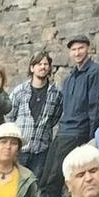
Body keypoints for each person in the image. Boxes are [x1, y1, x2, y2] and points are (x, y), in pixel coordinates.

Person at [47, 37, 99, 197]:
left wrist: (92, 137)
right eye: (73, 50)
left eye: (80, 48)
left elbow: (95, 106)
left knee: (58, 177)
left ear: (88, 49)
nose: (77, 52)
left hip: (79, 132)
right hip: (63, 131)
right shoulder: (70, 78)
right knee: (48, 177)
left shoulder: (96, 72)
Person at [11, 51, 62, 181]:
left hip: (41, 150)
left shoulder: (55, 94)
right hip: (20, 149)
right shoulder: (19, 91)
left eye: (45, 64)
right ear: (32, 68)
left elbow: (55, 118)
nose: (43, 67)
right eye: (39, 64)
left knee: (35, 186)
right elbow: (10, 116)